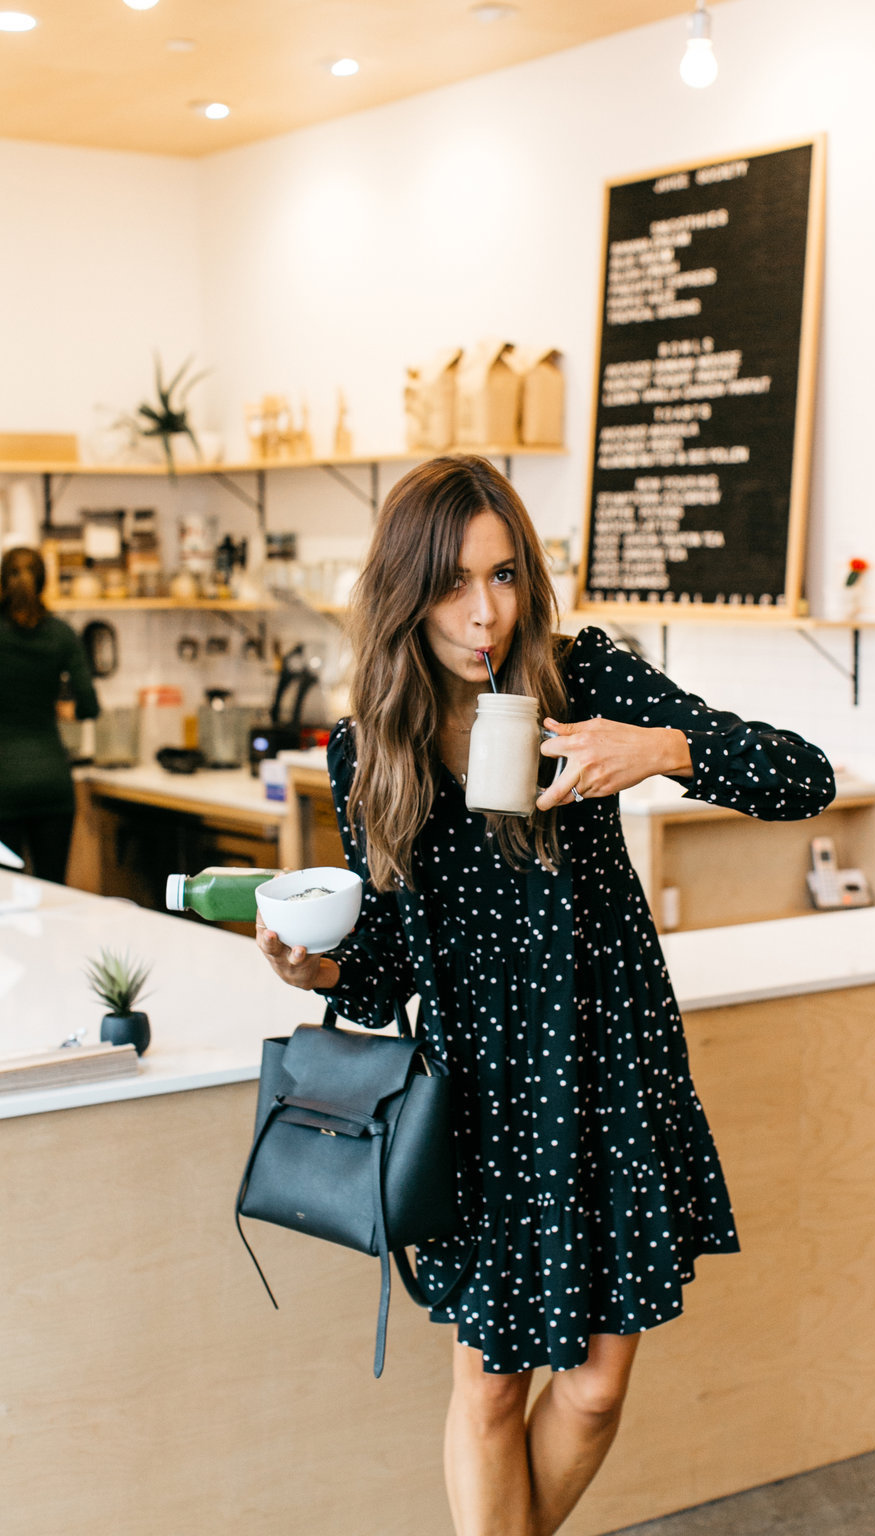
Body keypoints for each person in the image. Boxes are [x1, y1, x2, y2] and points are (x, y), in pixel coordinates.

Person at [256, 455, 835, 1536]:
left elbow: (802, 773)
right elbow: (387, 970)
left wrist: (660, 748)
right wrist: (317, 968)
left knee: (595, 1388)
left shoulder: (583, 683)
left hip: (610, 1071)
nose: (487, 613)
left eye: (507, 575)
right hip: (478, 1099)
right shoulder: (366, 751)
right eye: (454, 585)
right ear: (404, 593)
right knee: (489, 1389)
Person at [0, 545, 100, 883]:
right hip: (52, 782)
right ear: (44, 583)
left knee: (4, 901)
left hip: (4, 785)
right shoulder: (61, 634)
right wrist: (58, 707)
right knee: (52, 892)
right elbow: (89, 704)